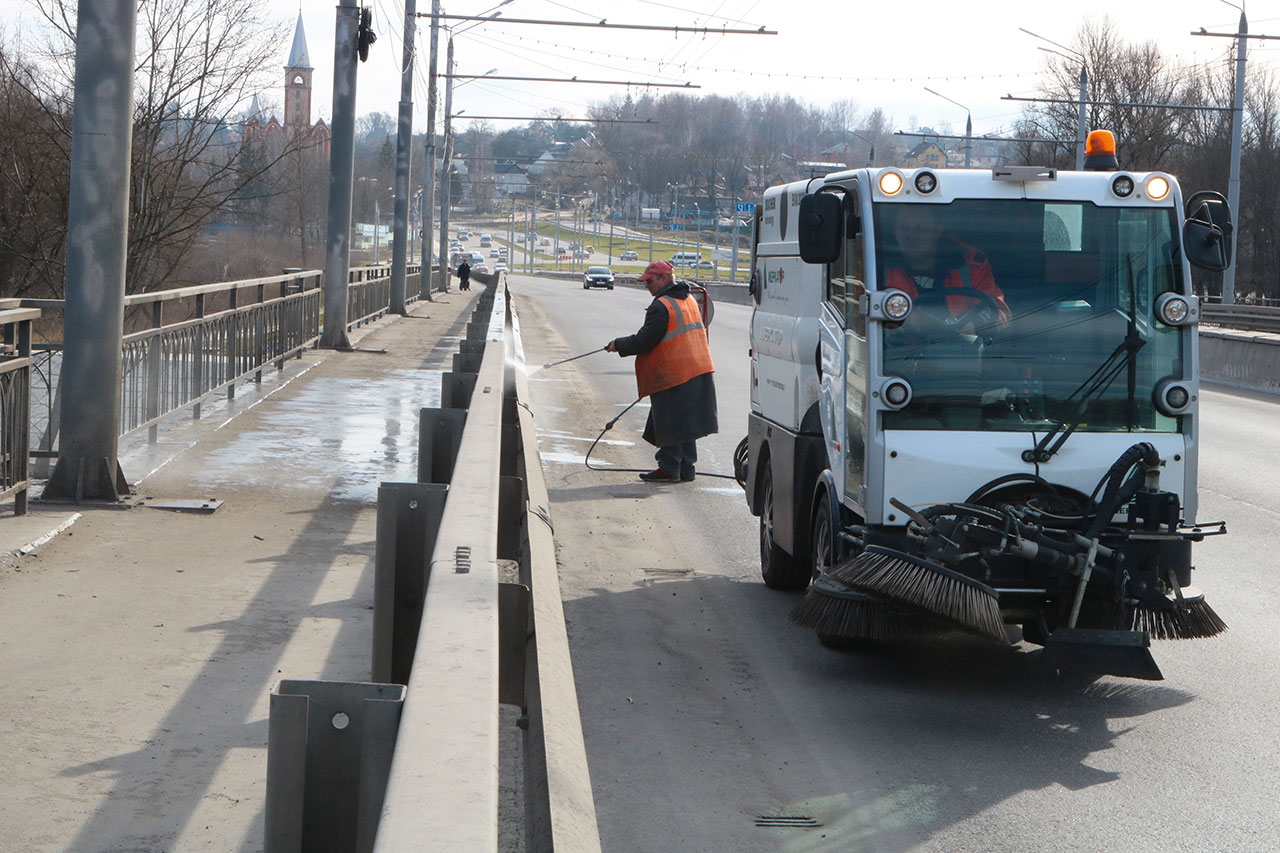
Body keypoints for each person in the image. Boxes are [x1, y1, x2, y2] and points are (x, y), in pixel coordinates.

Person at [606, 260, 718, 483]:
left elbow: (644, 341)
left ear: (664, 279)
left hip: (674, 371)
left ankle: (669, 468)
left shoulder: (662, 306)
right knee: (686, 423)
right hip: (698, 367)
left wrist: (617, 344)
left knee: (670, 422)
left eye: (650, 280)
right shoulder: (688, 299)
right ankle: (686, 468)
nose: (646, 285)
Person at [885, 205, 1010, 328]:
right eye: (904, 228)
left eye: (921, 228)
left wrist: (976, 323)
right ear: (894, 230)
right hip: (897, 348)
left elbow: (998, 313)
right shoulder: (877, 269)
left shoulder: (971, 265)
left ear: (938, 230)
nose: (911, 236)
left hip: (962, 346)